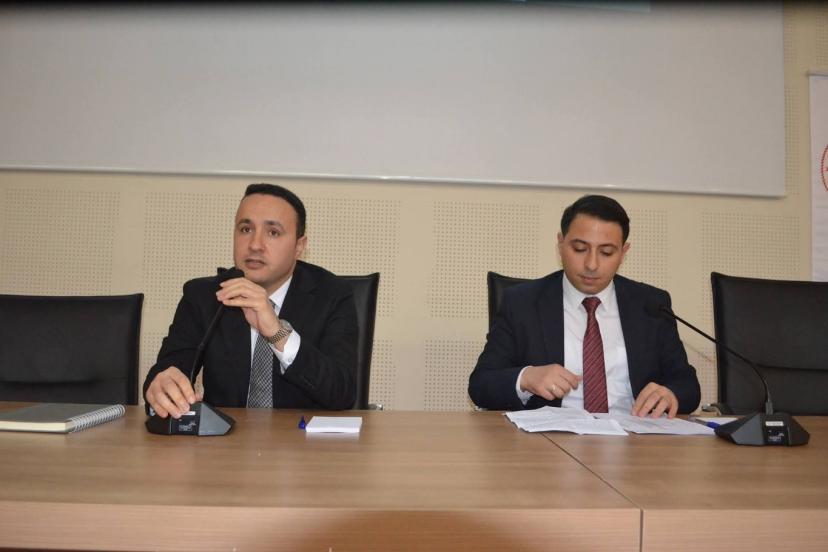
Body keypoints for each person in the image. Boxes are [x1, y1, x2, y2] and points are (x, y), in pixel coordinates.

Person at [468, 194, 700, 417]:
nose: (591, 264)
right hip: (552, 437)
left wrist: (670, 393)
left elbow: (687, 384)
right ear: (561, 244)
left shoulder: (650, 304)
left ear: (623, 253)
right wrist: (526, 378)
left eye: (606, 252)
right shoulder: (522, 303)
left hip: (632, 435)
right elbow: (480, 384)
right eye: (580, 249)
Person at [144, 183, 358, 417]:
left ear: (299, 247)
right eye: (245, 229)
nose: (255, 245)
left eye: (273, 232)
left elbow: (342, 393)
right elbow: (168, 371)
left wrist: (277, 332)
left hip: (301, 437)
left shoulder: (332, 295)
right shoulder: (205, 296)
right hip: (226, 437)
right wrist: (163, 387)